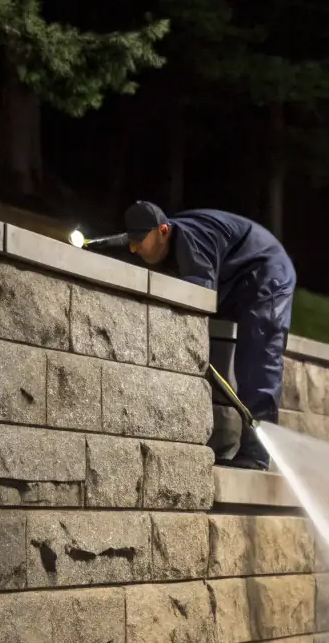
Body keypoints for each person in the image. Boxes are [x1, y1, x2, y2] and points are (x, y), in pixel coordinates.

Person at [125, 200, 296, 471]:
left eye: (139, 240)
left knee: (258, 359)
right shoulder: (165, 246)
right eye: (130, 241)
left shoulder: (191, 241)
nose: (134, 248)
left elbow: (196, 306)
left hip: (267, 273)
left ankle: (257, 453)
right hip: (235, 278)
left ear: (163, 230)